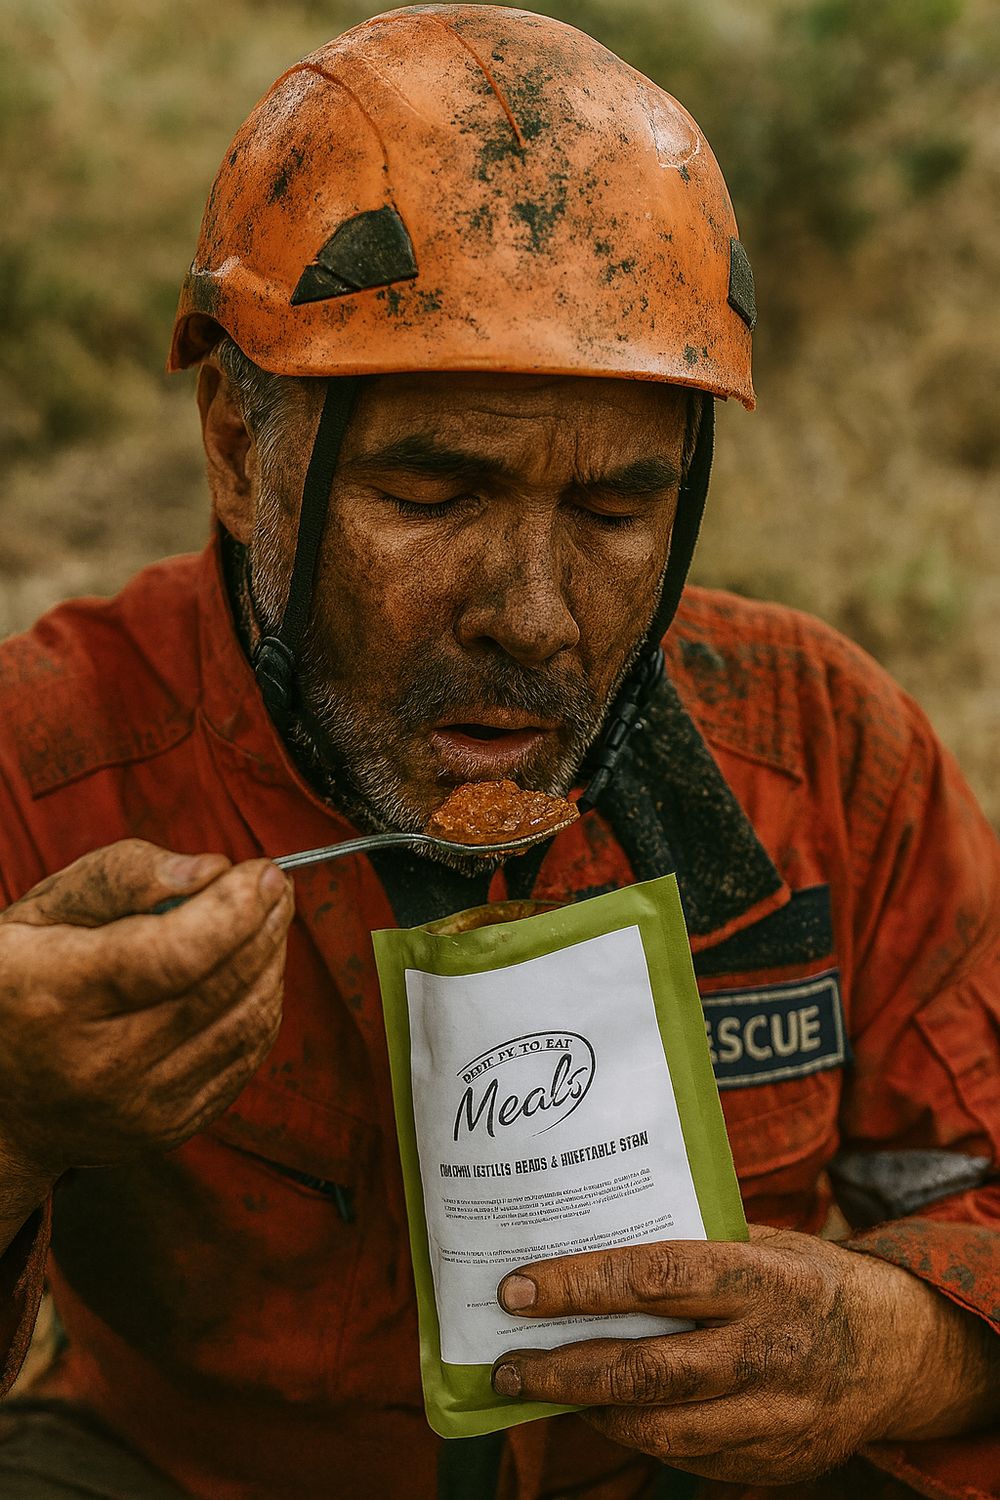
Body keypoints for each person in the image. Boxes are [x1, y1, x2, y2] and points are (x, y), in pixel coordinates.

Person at [0, 7, 996, 1498]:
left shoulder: (823, 755)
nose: (533, 617)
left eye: (612, 514)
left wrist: (898, 1345)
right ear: (236, 450)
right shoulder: (55, 763)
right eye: (433, 490)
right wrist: (13, 1120)